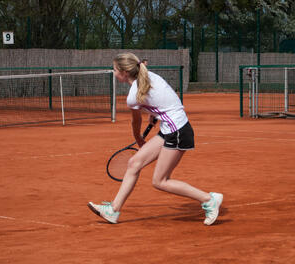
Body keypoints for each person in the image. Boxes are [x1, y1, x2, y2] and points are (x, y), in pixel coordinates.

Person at [88, 52, 223, 226]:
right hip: (171, 126)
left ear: (124, 72)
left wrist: (139, 138)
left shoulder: (133, 95)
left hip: (178, 131)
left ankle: (208, 199)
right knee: (134, 163)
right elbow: (164, 99)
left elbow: (136, 121)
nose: (113, 73)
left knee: (160, 181)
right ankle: (113, 210)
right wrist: (156, 114)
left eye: (115, 69)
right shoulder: (150, 76)